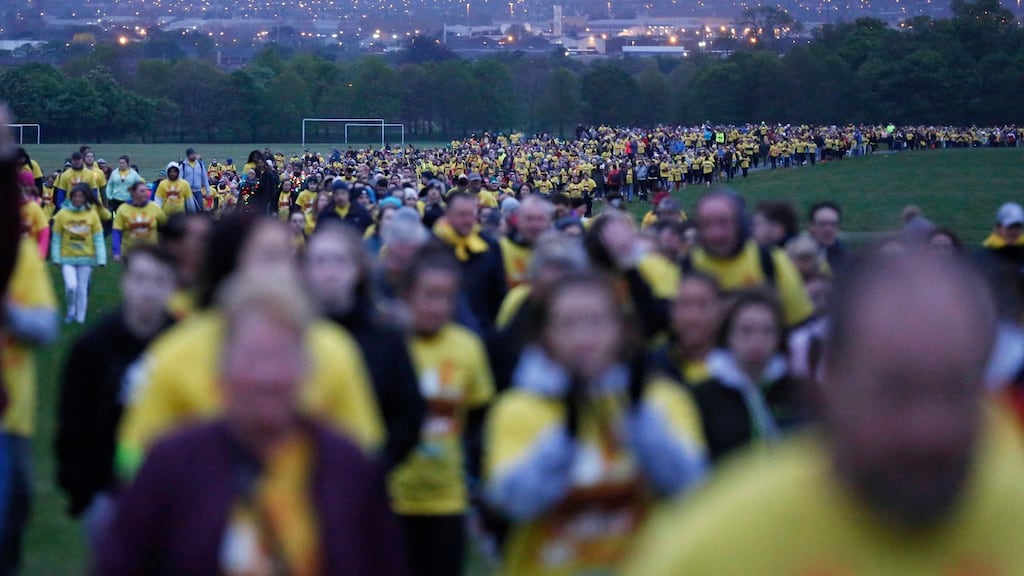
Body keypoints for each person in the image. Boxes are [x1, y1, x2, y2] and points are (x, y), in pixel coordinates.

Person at [623, 252, 1024, 576]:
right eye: (894, 393)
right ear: (827, 386)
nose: (928, 430)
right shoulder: (709, 549)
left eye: (954, 390)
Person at [96, 266, 409, 576]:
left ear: (306, 368)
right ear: (222, 368)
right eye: (253, 357)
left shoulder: (348, 469)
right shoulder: (172, 465)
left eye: (281, 356)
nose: (267, 377)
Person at [115, 216, 383, 479]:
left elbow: (364, 449)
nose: (284, 271)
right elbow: (134, 454)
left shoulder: (332, 349)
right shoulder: (177, 353)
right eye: (269, 257)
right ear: (230, 264)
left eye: (287, 257)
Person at [484, 273, 706, 576]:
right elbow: (515, 504)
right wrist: (566, 435)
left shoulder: (661, 399)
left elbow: (691, 488)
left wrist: (639, 417)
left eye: (597, 322)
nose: (584, 338)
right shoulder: (518, 408)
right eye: (568, 324)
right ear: (545, 334)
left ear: (619, 329)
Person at [55, 246, 177, 552]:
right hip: (107, 489)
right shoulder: (93, 347)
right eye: (140, 278)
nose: (147, 290)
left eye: (158, 280)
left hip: (172, 491)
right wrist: (80, 490)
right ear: (126, 283)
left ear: (171, 286)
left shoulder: (183, 345)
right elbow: (72, 421)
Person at [390, 249, 494, 576]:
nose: (437, 306)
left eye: (447, 297)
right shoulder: (387, 344)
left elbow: (478, 418)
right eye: (429, 296)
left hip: (446, 498)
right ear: (407, 295)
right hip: (390, 496)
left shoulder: (467, 347)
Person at [304, 222, 425, 471]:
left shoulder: (384, 334)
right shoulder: (293, 333)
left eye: (339, 261)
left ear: (357, 269)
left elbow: (408, 413)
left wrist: (376, 467)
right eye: (319, 261)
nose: (329, 272)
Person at [0, 236, 58, 574]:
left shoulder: (18, 253)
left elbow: (46, 328)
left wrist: (9, 313)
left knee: (11, 524)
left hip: (12, 421)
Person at [695, 290, 806, 464]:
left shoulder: (799, 392)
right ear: (729, 335)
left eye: (767, 331)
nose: (756, 341)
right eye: (746, 331)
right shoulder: (703, 395)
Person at [685, 193, 813, 328]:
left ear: (739, 223)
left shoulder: (770, 260)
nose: (717, 234)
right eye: (707, 225)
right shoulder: (689, 266)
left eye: (723, 223)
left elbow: (801, 323)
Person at [433, 192, 508, 334]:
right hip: (443, 330)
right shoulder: (433, 246)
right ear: (448, 214)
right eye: (461, 215)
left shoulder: (489, 246)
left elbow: (499, 293)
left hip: (482, 329)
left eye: (470, 215)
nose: (467, 220)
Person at [651, 273, 722, 387]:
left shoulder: (736, 368)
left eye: (702, 305)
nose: (692, 317)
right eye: (684, 305)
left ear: (719, 310)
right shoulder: (653, 367)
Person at [51, 183, 107, 324]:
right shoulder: (62, 214)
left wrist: (101, 258)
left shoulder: (92, 214)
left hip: (86, 257)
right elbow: (56, 238)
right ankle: (71, 311)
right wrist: (56, 257)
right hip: (67, 256)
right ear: (71, 198)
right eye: (75, 196)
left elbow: (98, 238)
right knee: (71, 286)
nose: (77, 199)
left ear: (85, 198)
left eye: (80, 196)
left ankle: (80, 318)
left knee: (82, 288)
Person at [498, 195, 555, 289]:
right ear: (519, 221)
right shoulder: (499, 249)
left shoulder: (560, 252)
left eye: (540, 219)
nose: (534, 225)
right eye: (529, 218)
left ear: (549, 222)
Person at [113, 181, 167, 263]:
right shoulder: (123, 209)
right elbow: (117, 231)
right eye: (142, 191)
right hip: (130, 252)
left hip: (150, 252)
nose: (145, 193)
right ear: (133, 193)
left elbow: (166, 226)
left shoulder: (154, 207)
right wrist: (116, 251)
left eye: (146, 190)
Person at [807, 200, 847, 270]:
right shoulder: (797, 256)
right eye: (822, 224)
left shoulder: (846, 260)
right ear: (811, 227)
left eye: (833, 224)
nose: (828, 229)